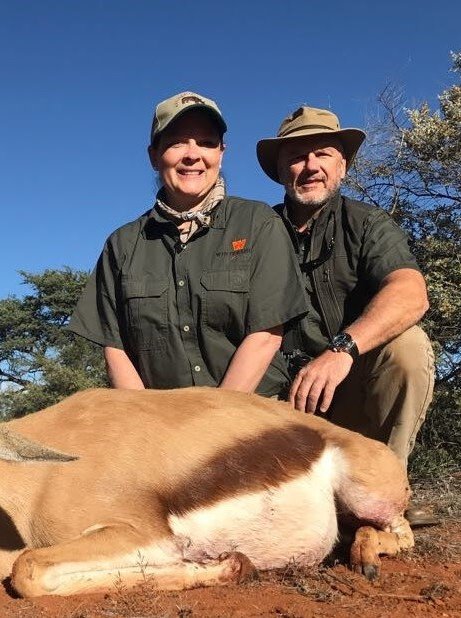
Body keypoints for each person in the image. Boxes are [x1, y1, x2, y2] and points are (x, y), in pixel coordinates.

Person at [69, 91, 305, 395]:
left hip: (251, 416)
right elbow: (115, 349)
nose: (192, 154)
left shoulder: (258, 222)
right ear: (154, 156)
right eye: (177, 142)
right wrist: (147, 425)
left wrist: (212, 423)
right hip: (158, 426)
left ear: (221, 153)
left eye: (206, 142)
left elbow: (267, 334)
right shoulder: (122, 244)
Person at [255, 106, 435, 466]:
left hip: (348, 387)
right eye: (296, 156)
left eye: (322, 153)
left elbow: (411, 291)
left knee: (408, 348)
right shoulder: (254, 228)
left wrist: (341, 352)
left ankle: (385, 489)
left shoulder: (367, 222)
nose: (310, 166)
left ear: (342, 166)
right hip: (275, 403)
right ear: (279, 170)